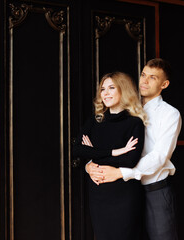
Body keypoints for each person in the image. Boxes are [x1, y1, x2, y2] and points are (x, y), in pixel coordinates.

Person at [87, 58, 182, 240]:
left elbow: (159, 157)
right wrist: (90, 165)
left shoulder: (170, 114)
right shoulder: (124, 107)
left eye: (152, 78)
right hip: (122, 193)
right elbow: (104, 142)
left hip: (154, 190)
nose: (144, 81)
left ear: (164, 84)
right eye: (143, 75)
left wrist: (120, 172)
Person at [72, 71, 147, 240]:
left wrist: (93, 156)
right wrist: (114, 152)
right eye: (103, 88)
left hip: (124, 195)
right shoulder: (95, 120)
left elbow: (130, 160)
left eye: (111, 88)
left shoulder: (135, 123)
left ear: (124, 90)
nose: (105, 93)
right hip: (99, 195)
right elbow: (77, 150)